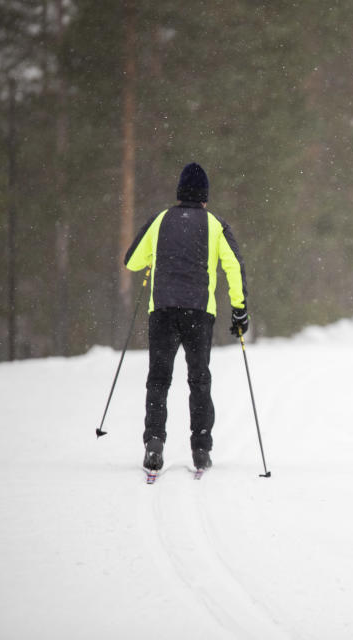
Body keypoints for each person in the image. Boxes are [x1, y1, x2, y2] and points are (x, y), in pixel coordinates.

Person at [124, 162, 249, 473]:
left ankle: (154, 443)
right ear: (205, 196)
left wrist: (156, 255)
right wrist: (239, 309)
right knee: (199, 380)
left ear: (179, 193)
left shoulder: (160, 220)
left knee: (158, 380)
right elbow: (234, 266)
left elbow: (132, 262)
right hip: (198, 312)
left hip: (162, 311)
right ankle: (201, 448)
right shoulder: (216, 225)